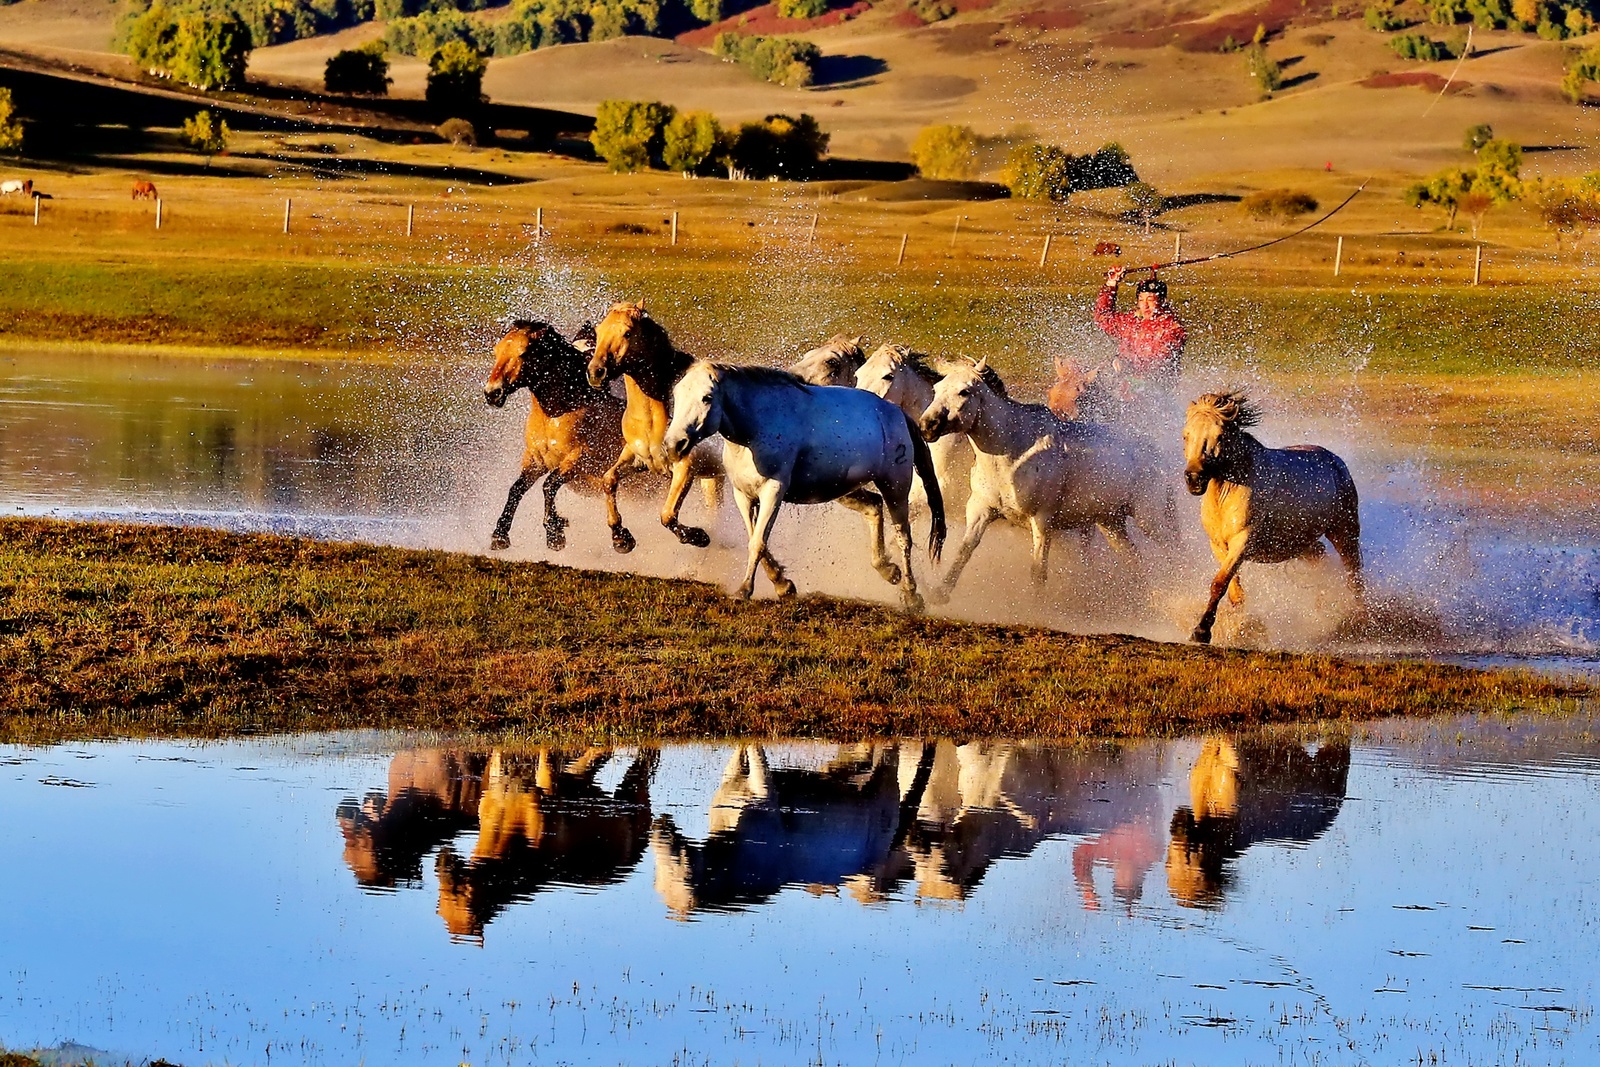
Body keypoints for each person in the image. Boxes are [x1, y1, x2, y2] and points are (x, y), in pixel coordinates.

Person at [1092, 265, 1186, 394]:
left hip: (1153, 388)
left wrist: (1127, 367)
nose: (1145, 305)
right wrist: (1112, 284)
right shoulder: (1132, 322)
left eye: (1150, 300)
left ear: (1162, 301)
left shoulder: (1172, 329)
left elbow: (1159, 362)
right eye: (1141, 300)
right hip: (1123, 381)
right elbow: (1102, 318)